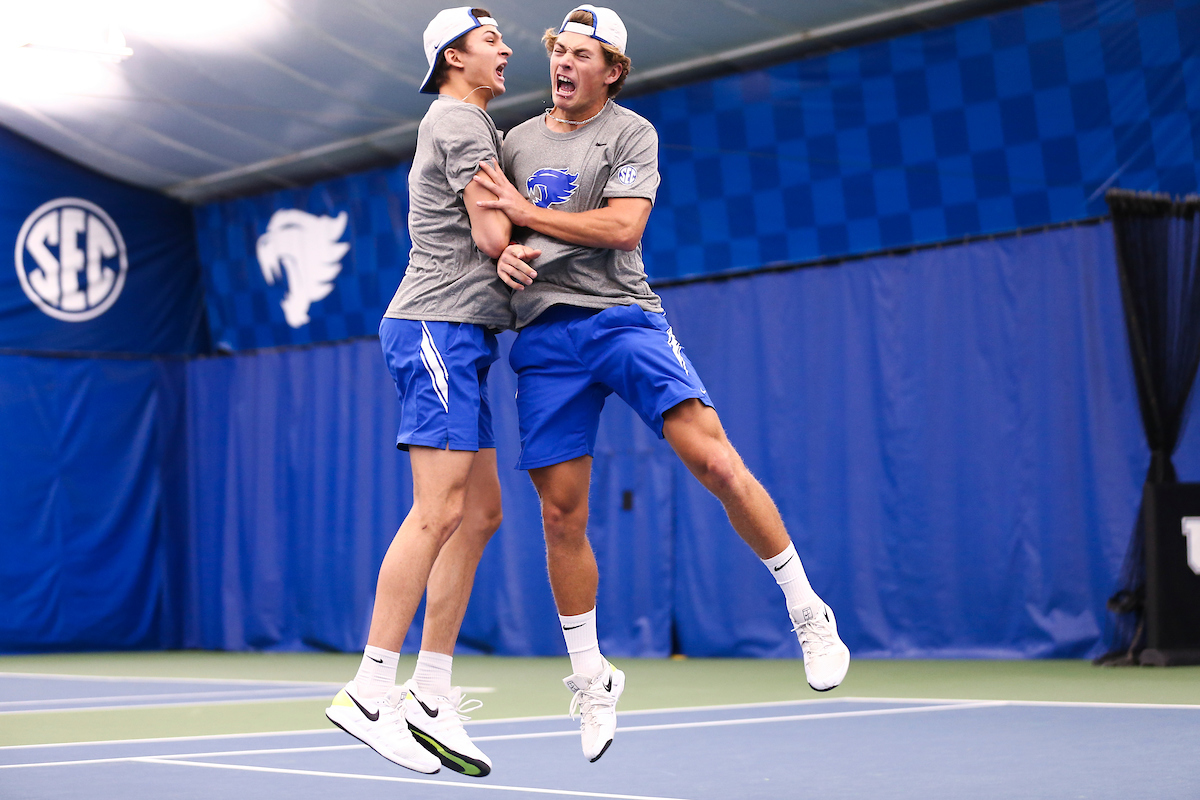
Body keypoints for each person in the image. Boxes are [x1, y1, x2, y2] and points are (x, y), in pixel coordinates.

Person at [473, 4, 851, 763]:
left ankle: (807, 609)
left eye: (585, 54)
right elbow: (491, 228)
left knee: (714, 461)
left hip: (622, 319)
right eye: (560, 51)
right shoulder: (513, 142)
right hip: (543, 341)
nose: (565, 63)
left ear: (612, 70)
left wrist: (523, 218)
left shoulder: (630, 133)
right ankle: (590, 677)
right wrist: (503, 252)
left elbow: (622, 229)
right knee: (558, 515)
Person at [324, 7, 513, 777]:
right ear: (453, 58)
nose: (505, 49)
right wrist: (592, 234)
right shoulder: (461, 124)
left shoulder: (475, 126)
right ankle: (371, 690)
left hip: (464, 335)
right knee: (438, 510)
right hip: (436, 327)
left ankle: (429, 690)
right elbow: (497, 238)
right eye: (491, 40)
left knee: (482, 512)